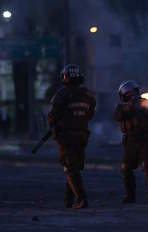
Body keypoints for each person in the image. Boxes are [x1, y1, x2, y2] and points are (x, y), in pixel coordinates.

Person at [47, 64, 96, 209]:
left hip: (66, 136)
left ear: (65, 77)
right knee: (74, 166)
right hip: (82, 135)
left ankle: (81, 198)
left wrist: (56, 124)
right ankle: (69, 200)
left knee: (69, 168)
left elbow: (52, 117)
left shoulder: (62, 95)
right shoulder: (88, 96)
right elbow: (90, 114)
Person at [113, 80, 148, 203]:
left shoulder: (145, 103)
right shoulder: (121, 106)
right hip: (130, 141)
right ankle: (130, 195)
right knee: (125, 168)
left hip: (146, 140)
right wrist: (130, 106)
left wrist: (138, 106)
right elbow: (117, 116)